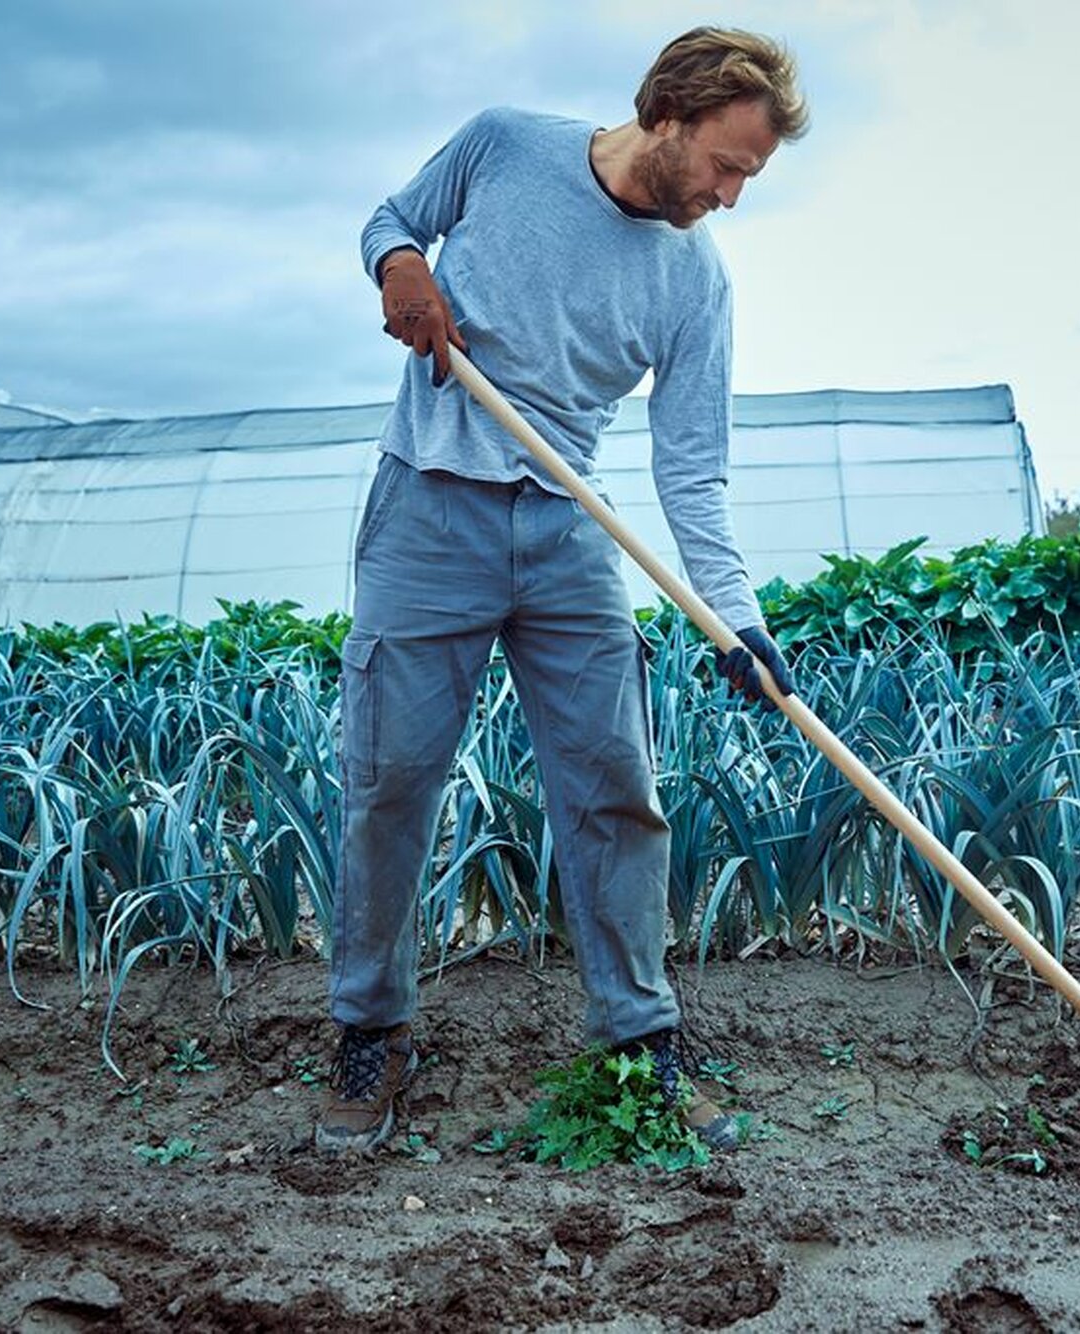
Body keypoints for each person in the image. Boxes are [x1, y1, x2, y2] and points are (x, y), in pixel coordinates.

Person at [317, 27, 808, 1156]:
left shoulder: (694, 279)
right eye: (725, 166)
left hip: (566, 525)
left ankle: (639, 1042)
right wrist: (401, 268)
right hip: (427, 507)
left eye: (750, 178)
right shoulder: (501, 149)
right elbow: (388, 221)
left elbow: (692, 468)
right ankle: (368, 1029)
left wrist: (738, 621)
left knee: (613, 787)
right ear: (670, 114)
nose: (730, 196)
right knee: (389, 779)